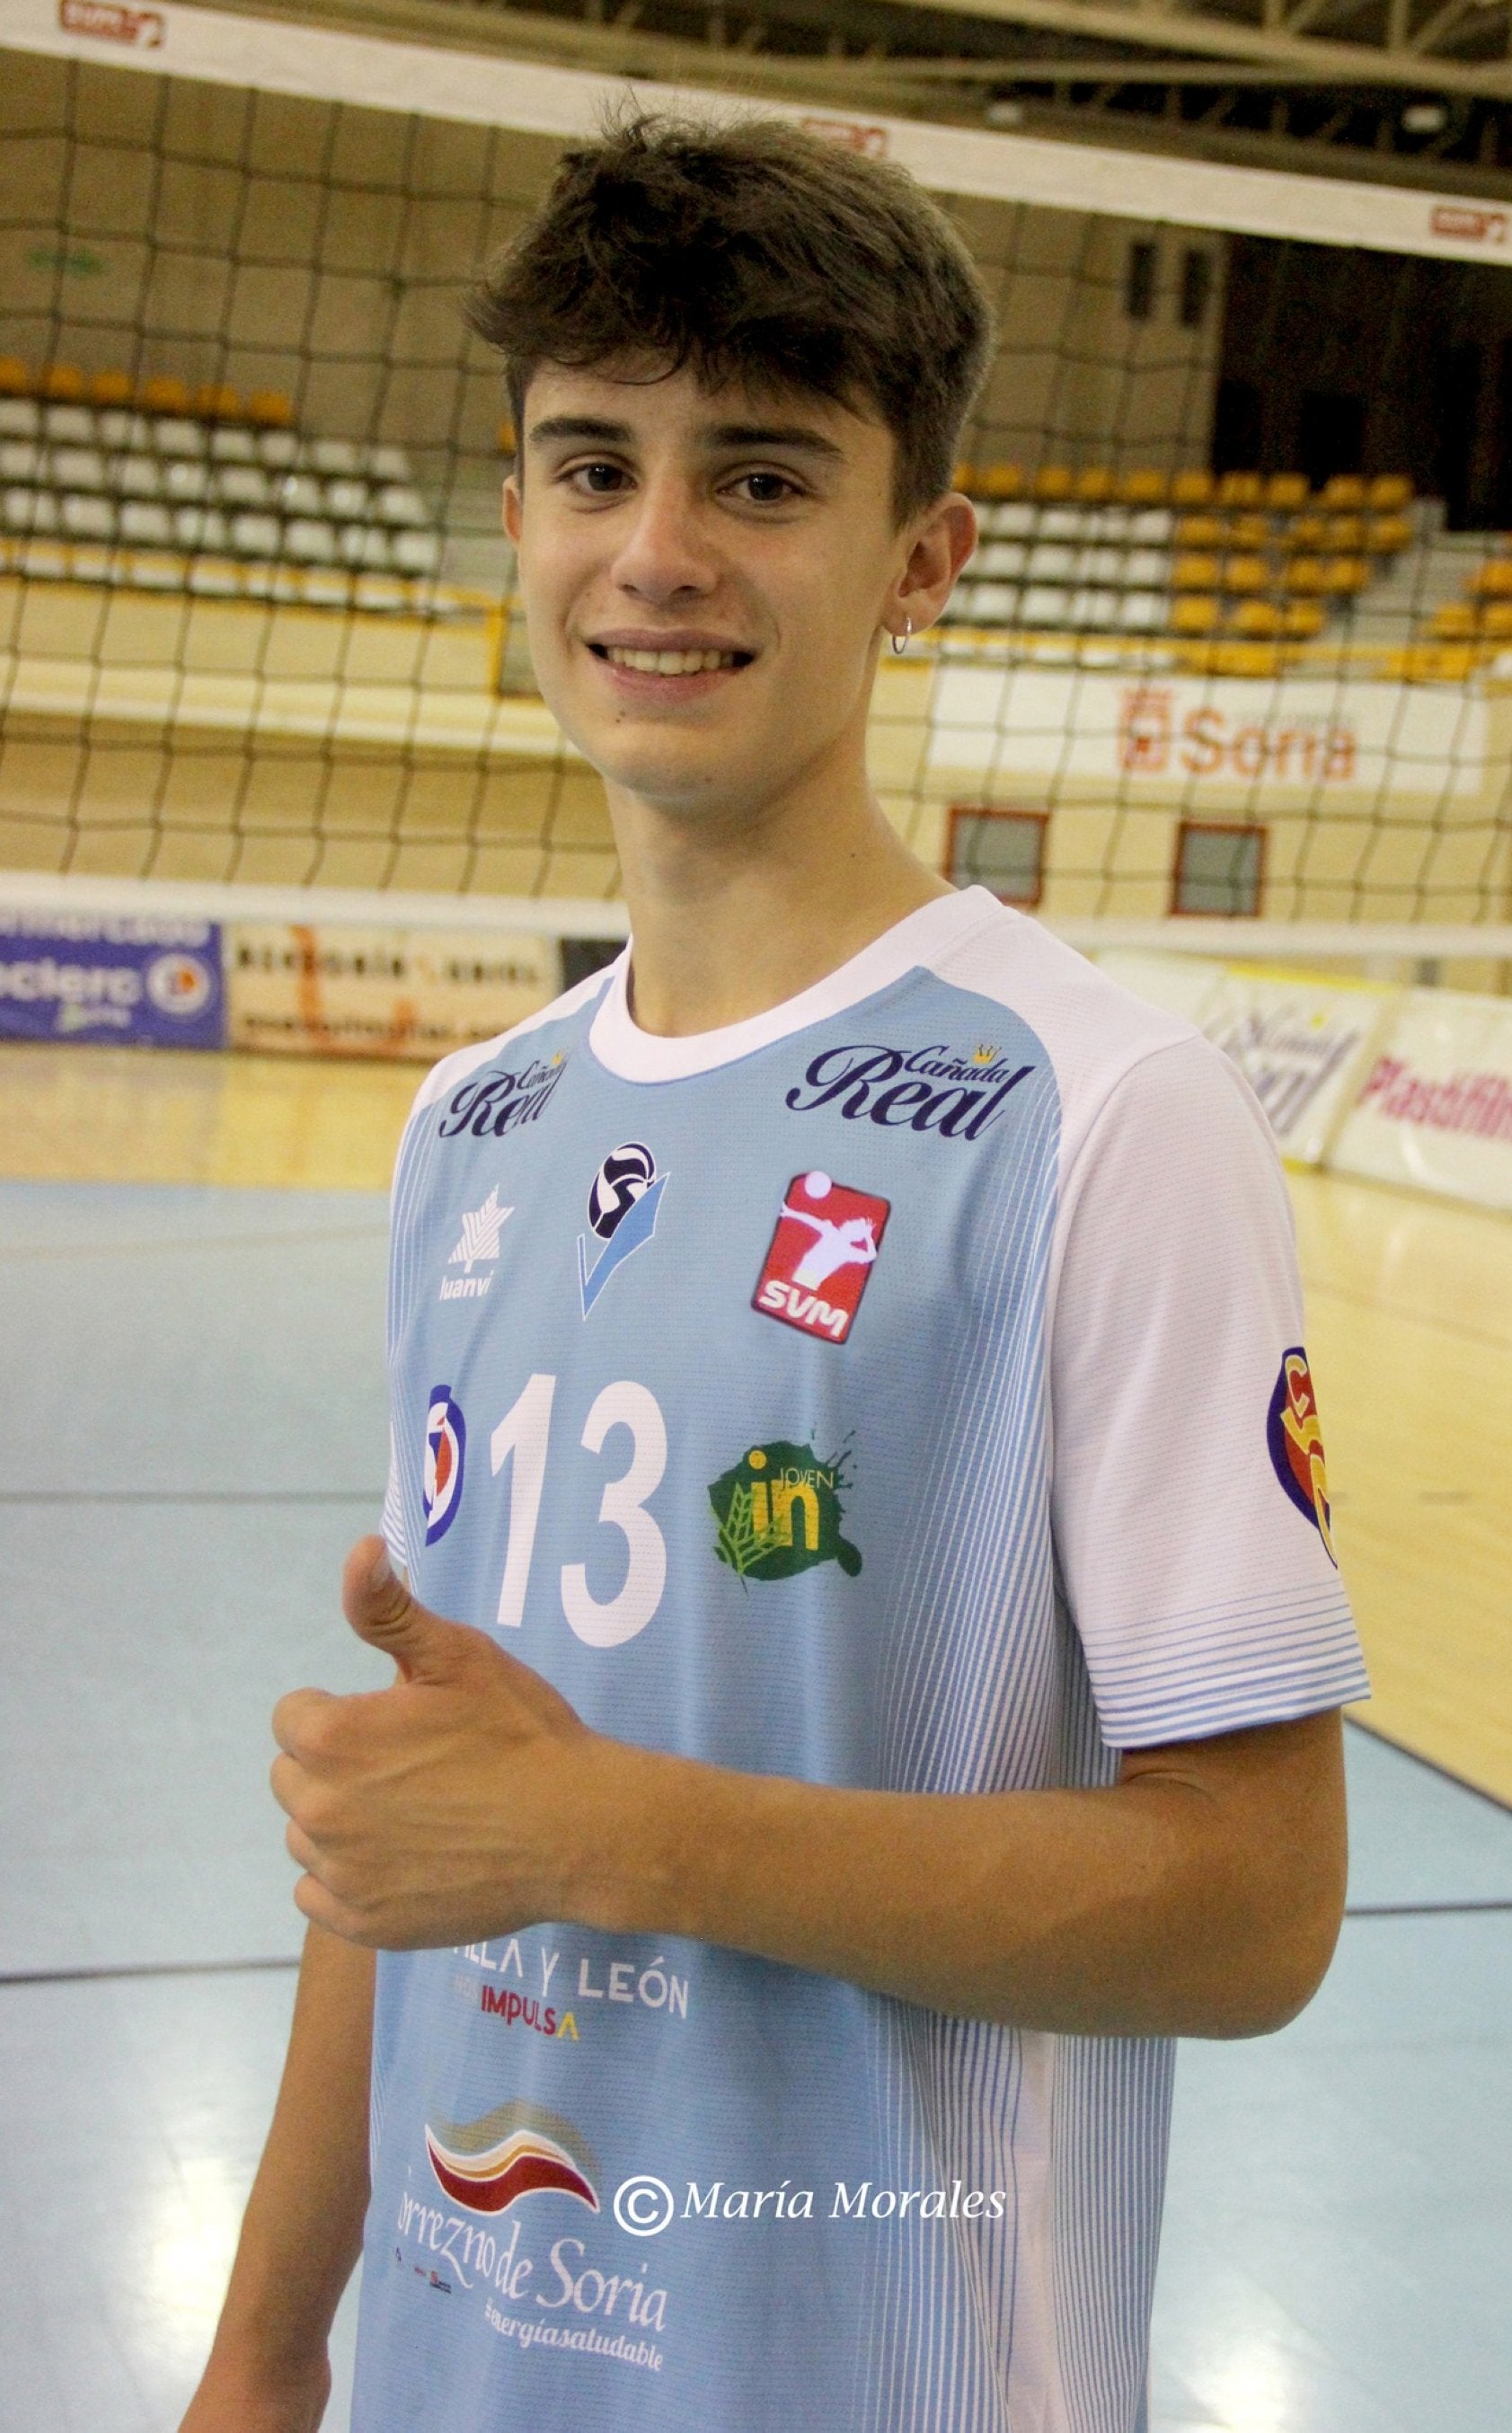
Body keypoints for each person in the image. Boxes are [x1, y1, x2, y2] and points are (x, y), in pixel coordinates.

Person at [181, 114, 1367, 2433]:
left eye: (758, 477)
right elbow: (428, 1827)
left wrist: (619, 1828)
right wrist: (261, 2346)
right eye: (591, 461)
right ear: (514, 509)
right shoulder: (473, 1125)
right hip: (458, 2355)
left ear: (923, 554)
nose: (654, 551)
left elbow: (1255, 1909)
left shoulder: (1096, 1118)